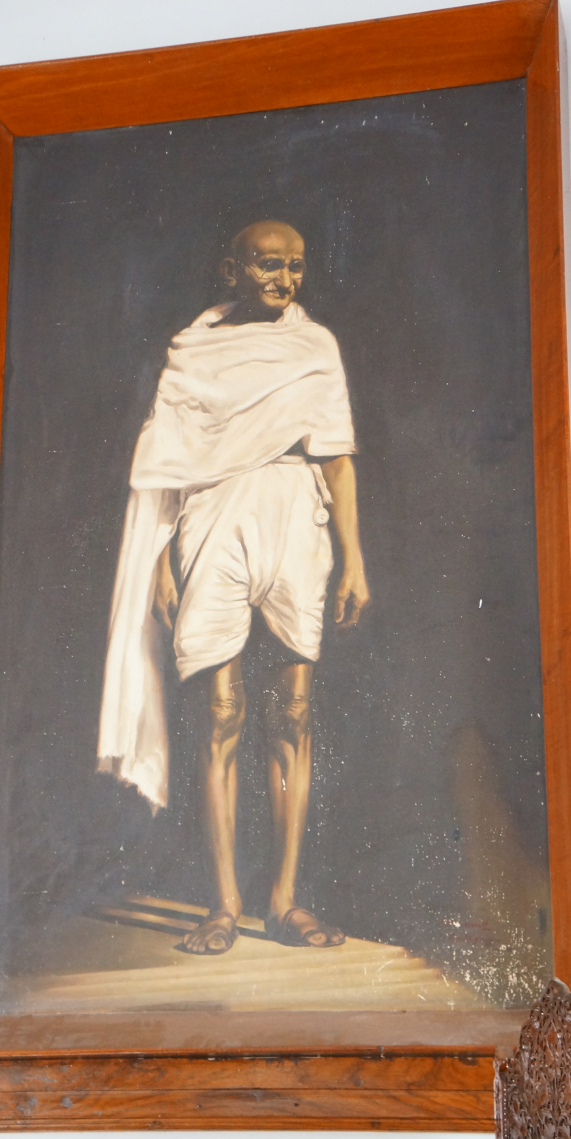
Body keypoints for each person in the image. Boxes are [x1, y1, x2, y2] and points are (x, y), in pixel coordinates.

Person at [98, 221, 370, 954]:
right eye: (268, 264)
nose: (284, 279)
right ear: (232, 269)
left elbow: (337, 458)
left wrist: (354, 559)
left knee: (294, 712)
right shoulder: (194, 351)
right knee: (220, 712)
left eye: (296, 266)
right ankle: (222, 904)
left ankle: (283, 902)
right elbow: (166, 466)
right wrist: (160, 557)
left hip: (297, 518)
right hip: (212, 518)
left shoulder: (316, 346)